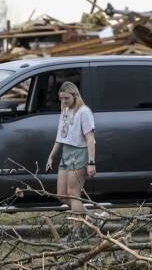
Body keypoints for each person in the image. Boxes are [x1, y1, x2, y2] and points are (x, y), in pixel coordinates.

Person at [45, 81, 96, 241]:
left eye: (66, 98)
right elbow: (60, 136)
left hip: (79, 153)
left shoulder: (84, 111)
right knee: (62, 195)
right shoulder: (65, 110)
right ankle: (92, 218)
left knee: (74, 194)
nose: (63, 101)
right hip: (66, 152)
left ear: (74, 95)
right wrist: (51, 156)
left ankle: (76, 233)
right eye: (61, 99)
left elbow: (90, 139)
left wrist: (91, 162)